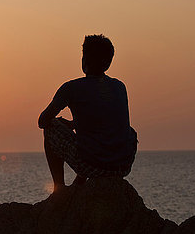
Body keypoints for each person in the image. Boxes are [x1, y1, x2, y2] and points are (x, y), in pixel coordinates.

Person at [38, 34, 137, 191]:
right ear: (108, 62)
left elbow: (42, 121)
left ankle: (59, 188)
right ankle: (79, 184)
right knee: (129, 131)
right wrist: (72, 124)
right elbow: (101, 120)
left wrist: (62, 124)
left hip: (92, 166)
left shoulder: (71, 88)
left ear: (85, 60)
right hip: (122, 168)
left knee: (51, 127)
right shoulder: (119, 86)